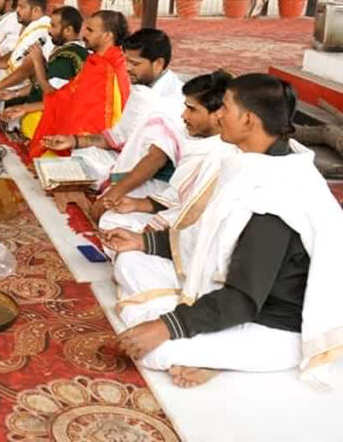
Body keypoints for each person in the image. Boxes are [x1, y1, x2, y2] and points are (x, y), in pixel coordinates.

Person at [101, 74, 343, 389]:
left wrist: (168, 326)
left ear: (248, 119)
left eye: (224, 108)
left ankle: (215, 356)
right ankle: (208, 347)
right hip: (234, 293)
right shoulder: (258, 164)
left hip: (271, 326)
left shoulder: (276, 197)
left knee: (154, 351)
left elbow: (243, 299)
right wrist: (144, 241)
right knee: (132, 261)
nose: (218, 116)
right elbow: (208, 233)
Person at [45, 28, 185, 207]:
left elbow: (155, 160)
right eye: (126, 61)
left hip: (155, 177)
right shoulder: (143, 88)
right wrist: (73, 141)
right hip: (127, 158)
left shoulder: (172, 100)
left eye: (134, 63)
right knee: (82, 154)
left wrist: (114, 192)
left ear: (158, 63)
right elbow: (119, 137)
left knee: (111, 218)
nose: (127, 68)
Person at [100, 70, 236, 233]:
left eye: (192, 110)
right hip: (173, 217)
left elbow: (191, 211)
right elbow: (176, 196)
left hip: (195, 233)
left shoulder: (219, 153)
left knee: (123, 243)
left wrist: (145, 237)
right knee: (112, 219)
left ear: (218, 114)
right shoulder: (203, 143)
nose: (184, 115)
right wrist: (135, 204)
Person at [29, 10, 131, 158]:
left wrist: (76, 139)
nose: (84, 34)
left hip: (97, 145)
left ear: (107, 36)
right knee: (31, 122)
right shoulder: (95, 60)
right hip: (76, 132)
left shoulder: (112, 68)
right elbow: (68, 95)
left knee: (46, 149)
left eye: (90, 30)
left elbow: (104, 119)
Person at [0, 5, 89, 137]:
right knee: (10, 103)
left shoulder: (67, 57)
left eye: (54, 26)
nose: (49, 31)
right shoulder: (67, 49)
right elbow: (42, 82)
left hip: (62, 112)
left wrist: (38, 62)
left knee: (28, 121)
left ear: (68, 30)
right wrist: (14, 93)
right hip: (49, 103)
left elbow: (52, 93)